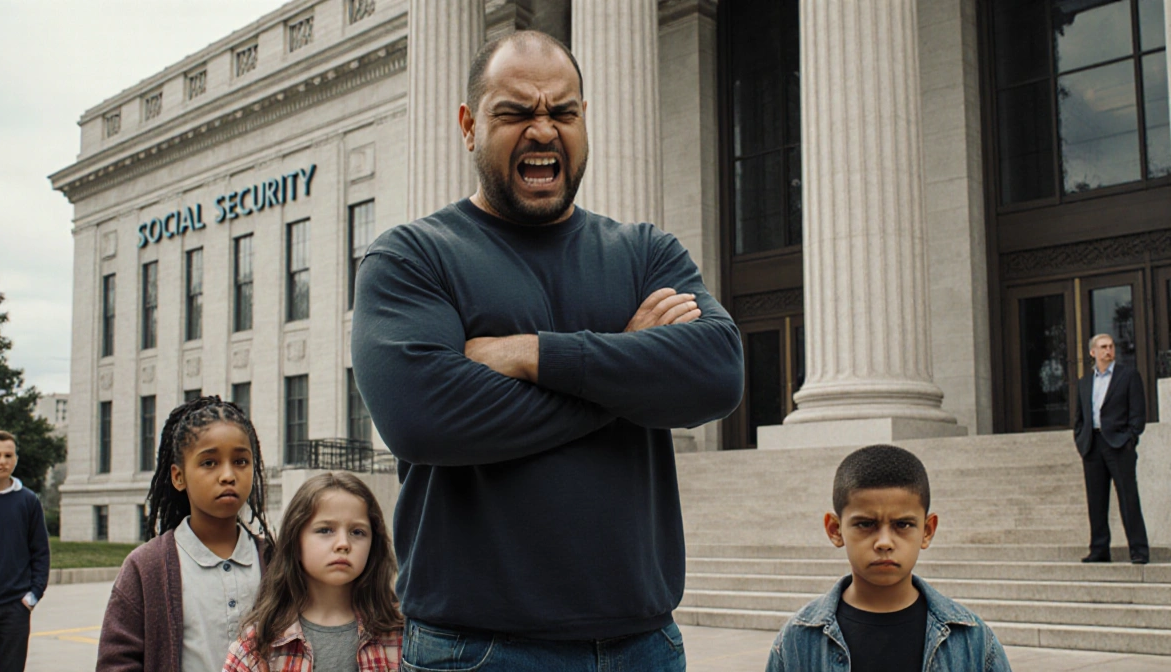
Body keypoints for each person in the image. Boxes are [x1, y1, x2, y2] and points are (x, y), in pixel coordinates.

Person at [352, 30, 744, 671]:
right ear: (469, 124)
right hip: (476, 651)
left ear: (584, 120)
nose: (543, 130)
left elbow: (718, 374)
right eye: (515, 113)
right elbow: (424, 419)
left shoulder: (648, 253)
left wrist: (533, 355)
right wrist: (629, 370)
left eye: (562, 112)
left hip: (643, 647)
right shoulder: (411, 258)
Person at [765, 444, 1011, 672]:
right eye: (865, 524)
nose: (884, 542)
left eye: (902, 524)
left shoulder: (973, 641)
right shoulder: (797, 640)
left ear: (927, 531)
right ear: (835, 530)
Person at [96, 397, 275, 672]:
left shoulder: (276, 561)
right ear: (179, 477)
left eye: (240, 461)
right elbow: (116, 663)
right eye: (209, 463)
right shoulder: (146, 567)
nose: (228, 475)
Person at [223, 472, 402, 672]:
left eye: (357, 532)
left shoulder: (400, 634)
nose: (343, 544)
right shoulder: (258, 645)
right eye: (325, 530)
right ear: (296, 542)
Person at [0, 430, 50, 672]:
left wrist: (32, 595)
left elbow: (40, 552)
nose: (3, 461)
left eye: (9, 455)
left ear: (16, 459)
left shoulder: (28, 501)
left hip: (15, 608)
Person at [1073, 333, 1149, 564]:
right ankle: (1099, 550)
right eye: (1103, 347)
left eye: (1111, 346)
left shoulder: (1128, 376)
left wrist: (1130, 439)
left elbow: (1138, 413)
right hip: (1092, 446)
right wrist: (1080, 439)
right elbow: (1079, 417)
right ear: (1092, 352)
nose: (1108, 350)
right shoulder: (1085, 383)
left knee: (1128, 498)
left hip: (1118, 445)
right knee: (1096, 501)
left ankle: (1138, 550)